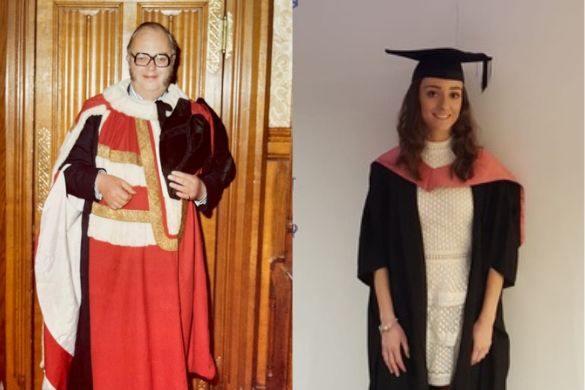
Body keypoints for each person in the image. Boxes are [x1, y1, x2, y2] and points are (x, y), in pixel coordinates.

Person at [35, 22, 235, 390]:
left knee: (161, 355)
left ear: (173, 63)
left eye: (161, 57)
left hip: (167, 264)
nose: (151, 65)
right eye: (142, 56)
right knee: (106, 358)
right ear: (129, 60)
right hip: (106, 264)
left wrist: (201, 187)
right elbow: (69, 172)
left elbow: (223, 168)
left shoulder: (193, 117)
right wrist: (99, 182)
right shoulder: (99, 112)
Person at [357, 48, 524, 390]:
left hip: (466, 310)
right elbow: (376, 253)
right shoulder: (390, 173)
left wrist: (486, 320)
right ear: (416, 97)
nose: (443, 105)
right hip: (408, 312)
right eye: (432, 92)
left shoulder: (487, 175)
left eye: (454, 94)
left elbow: (500, 252)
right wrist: (387, 323)